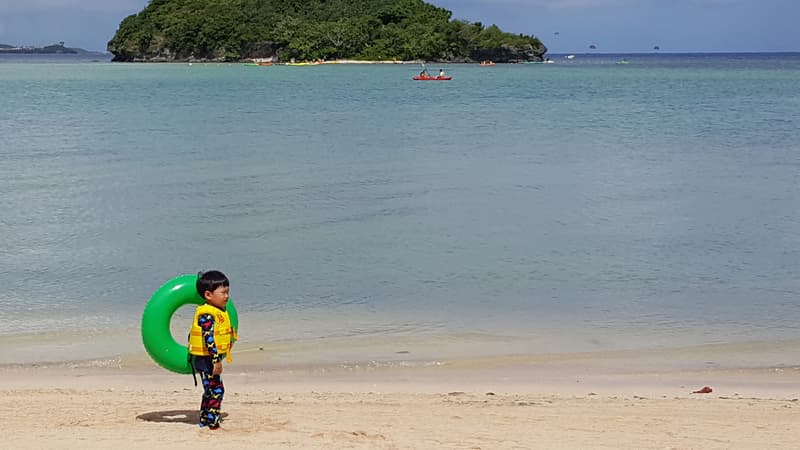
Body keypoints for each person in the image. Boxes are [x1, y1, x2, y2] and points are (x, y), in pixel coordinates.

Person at [188, 270, 237, 430]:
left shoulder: (217, 311)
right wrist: (216, 360)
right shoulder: (207, 314)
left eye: (228, 292)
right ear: (208, 295)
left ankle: (204, 420)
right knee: (217, 390)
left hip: (208, 358)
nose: (227, 296)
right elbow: (208, 337)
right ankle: (213, 423)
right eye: (223, 292)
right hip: (206, 359)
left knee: (210, 389)